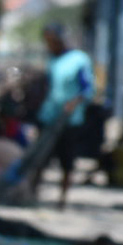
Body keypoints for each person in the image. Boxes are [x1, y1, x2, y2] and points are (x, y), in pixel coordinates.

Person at [37, 23, 95, 210]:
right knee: (41, 157)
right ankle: (32, 193)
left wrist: (74, 102)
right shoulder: (52, 60)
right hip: (49, 115)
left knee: (66, 160)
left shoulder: (79, 60)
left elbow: (87, 89)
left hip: (69, 119)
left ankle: (62, 199)